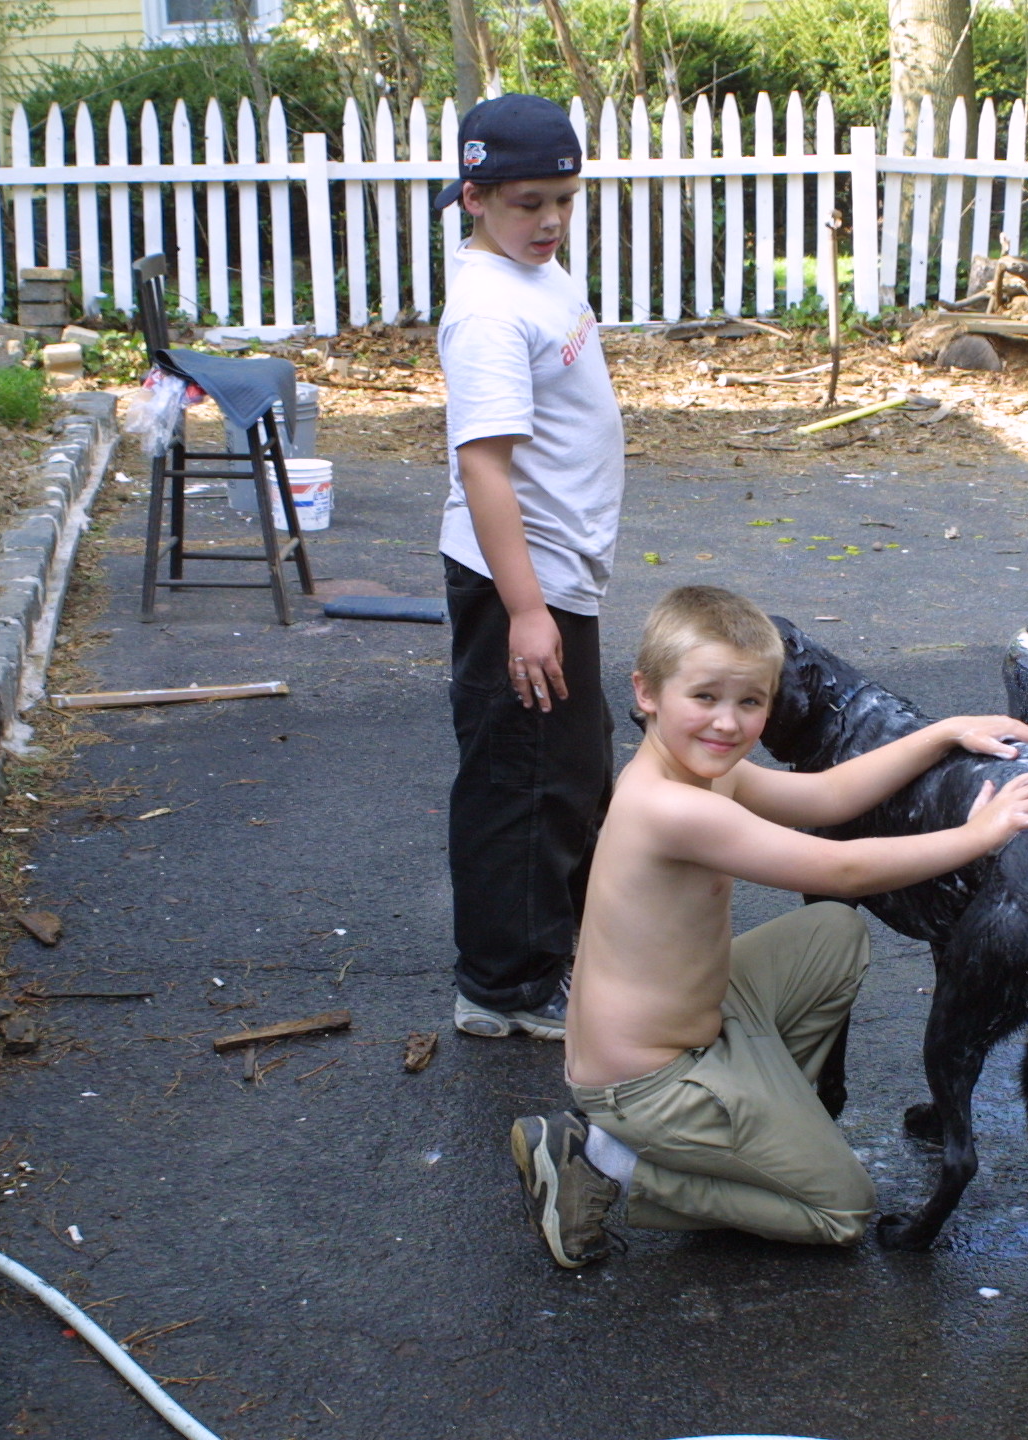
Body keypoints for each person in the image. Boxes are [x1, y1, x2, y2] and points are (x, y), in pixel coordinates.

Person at [508, 586, 1028, 1267]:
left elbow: (828, 795)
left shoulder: (701, 769)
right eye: (705, 697)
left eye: (750, 702)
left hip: (699, 1021)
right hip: (644, 1082)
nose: (727, 723)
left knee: (833, 934)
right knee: (840, 1209)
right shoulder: (671, 808)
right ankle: (605, 1163)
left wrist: (944, 732)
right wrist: (980, 835)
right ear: (646, 692)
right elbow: (843, 870)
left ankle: (753, 1136)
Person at [433, 95, 623, 1042]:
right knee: (524, 782)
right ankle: (503, 987)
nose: (550, 221)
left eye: (564, 200)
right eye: (528, 203)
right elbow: (482, 467)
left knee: (570, 772)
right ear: (474, 198)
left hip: (555, 573)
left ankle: (548, 950)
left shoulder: (533, 271)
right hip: (523, 582)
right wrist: (526, 611)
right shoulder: (487, 310)